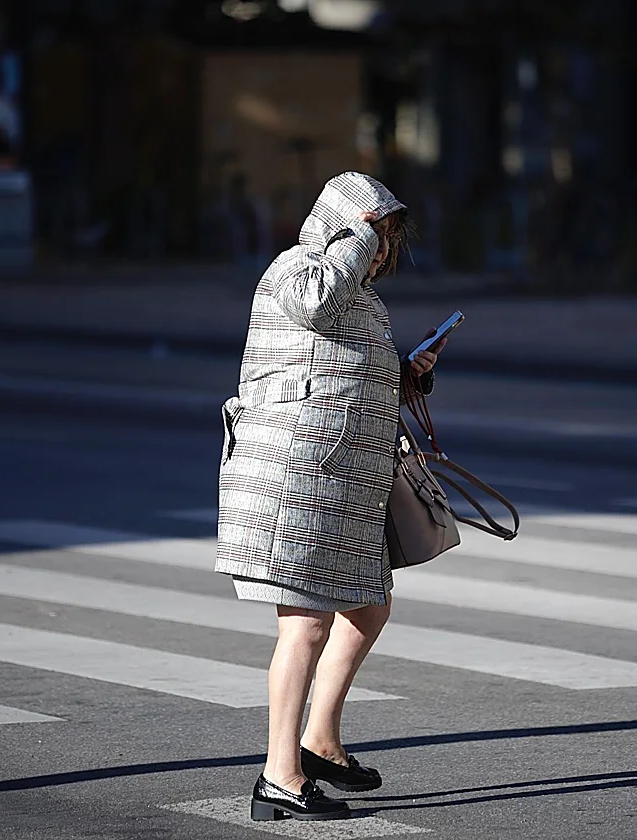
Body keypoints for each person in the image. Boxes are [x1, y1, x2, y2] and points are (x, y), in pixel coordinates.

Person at [216, 172, 441, 822]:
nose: (378, 253)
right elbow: (314, 307)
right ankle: (279, 777)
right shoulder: (300, 269)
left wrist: (406, 377)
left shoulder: (361, 297)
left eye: (385, 242)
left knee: (369, 607)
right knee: (306, 625)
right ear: (346, 226)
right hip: (300, 480)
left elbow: (334, 366)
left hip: (338, 481)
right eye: (377, 236)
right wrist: (354, 235)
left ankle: (319, 741)